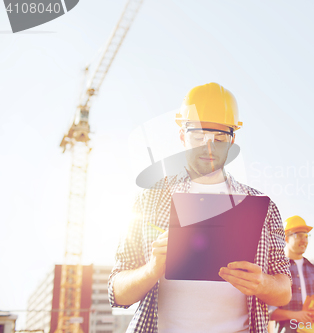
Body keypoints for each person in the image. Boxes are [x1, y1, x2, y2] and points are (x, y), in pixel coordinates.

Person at [108, 82, 292, 333]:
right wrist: (152, 269)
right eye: (198, 136)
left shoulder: (263, 207)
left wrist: (262, 284)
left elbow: (284, 291)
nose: (209, 147)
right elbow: (118, 293)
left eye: (219, 138)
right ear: (182, 136)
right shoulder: (149, 200)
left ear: (232, 140)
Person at [270, 215, 314, 333]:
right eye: (299, 235)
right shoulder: (275, 270)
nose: (304, 240)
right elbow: (267, 309)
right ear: (285, 238)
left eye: (306, 236)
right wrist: (293, 315)